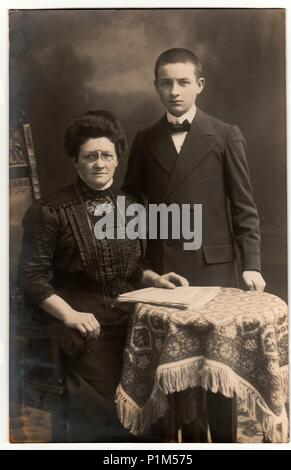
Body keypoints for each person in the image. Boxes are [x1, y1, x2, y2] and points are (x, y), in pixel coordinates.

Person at [123, 48, 266, 442]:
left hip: (215, 269)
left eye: (183, 82)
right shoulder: (145, 139)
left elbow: (245, 208)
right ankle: (177, 444)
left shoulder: (224, 134)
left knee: (217, 371)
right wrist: (141, 267)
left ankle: (222, 442)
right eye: (166, 83)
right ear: (156, 87)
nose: (175, 91)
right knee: (174, 373)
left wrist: (251, 264)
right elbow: (130, 209)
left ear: (199, 85)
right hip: (165, 273)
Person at [20, 110, 188, 443]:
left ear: (117, 160)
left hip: (130, 317)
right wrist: (70, 314)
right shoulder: (50, 211)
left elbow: (135, 264)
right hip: (84, 324)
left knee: (156, 402)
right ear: (76, 162)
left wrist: (155, 279)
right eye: (90, 156)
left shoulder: (129, 204)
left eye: (106, 156)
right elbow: (31, 277)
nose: (99, 163)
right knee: (103, 415)